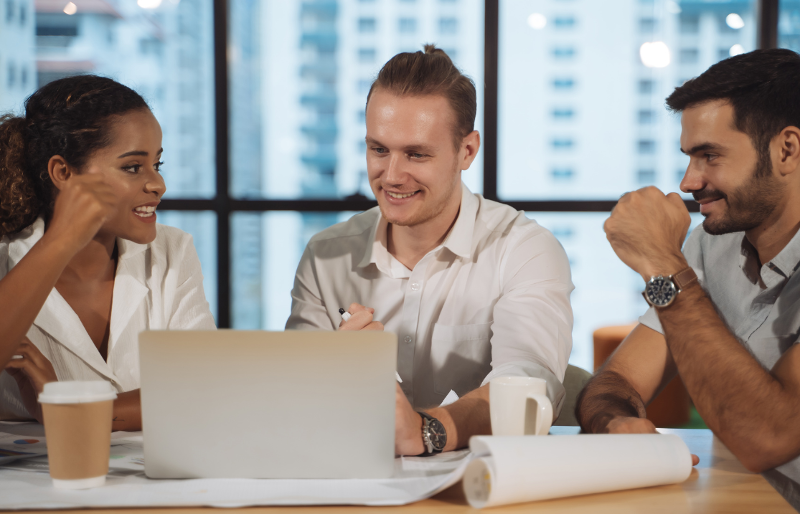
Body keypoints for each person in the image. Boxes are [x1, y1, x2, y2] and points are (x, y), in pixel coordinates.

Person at [286, 45, 574, 455]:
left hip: (481, 485)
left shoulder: (524, 248)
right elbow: (297, 400)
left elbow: (528, 389)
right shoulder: (325, 255)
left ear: (467, 151)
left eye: (416, 154)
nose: (392, 176)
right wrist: (337, 372)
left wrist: (424, 431)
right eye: (378, 150)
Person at [575, 48, 800, 508]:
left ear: (787, 149)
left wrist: (662, 264)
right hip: (742, 494)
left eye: (709, 156)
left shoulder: (682, 257)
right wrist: (615, 423)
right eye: (689, 157)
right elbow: (616, 381)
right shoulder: (709, 243)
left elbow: (771, 436)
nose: (687, 181)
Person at [0, 75, 215, 431]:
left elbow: (201, 389)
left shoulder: (171, 251)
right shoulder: (6, 255)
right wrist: (61, 240)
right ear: (63, 172)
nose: (158, 185)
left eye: (157, 165)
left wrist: (70, 411)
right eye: (133, 167)